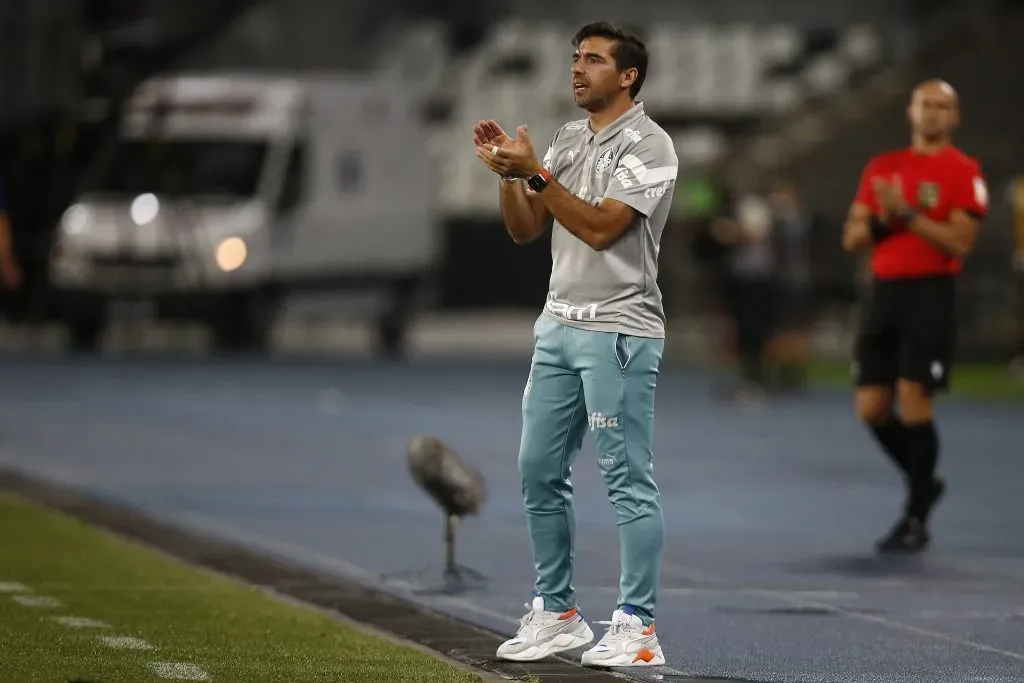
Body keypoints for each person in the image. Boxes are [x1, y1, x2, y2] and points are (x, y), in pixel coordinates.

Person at [473, 21, 676, 668]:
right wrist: (512, 175)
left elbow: (599, 229)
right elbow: (525, 230)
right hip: (558, 325)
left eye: (592, 59)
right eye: (575, 58)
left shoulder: (651, 146)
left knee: (626, 479)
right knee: (537, 469)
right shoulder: (565, 139)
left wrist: (537, 175)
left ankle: (639, 625)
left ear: (628, 76)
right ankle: (558, 613)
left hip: (618, 329)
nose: (577, 69)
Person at [842, 79, 988, 554]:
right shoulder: (883, 167)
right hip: (884, 293)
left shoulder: (964, 171)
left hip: (931, 293)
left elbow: (961, 242)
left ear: (955, 116)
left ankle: (915, 516)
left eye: (942, 106)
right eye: (926, 104)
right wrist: (886, 219)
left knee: (914, 396)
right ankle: (926, 482)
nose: (932, 113)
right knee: (871, 408)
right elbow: (853, 237)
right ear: (910, 110)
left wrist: (908, 215)